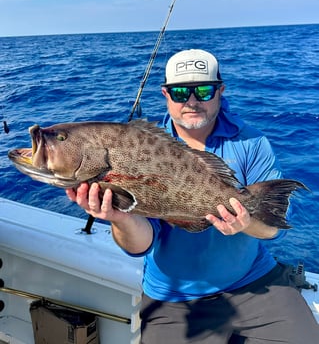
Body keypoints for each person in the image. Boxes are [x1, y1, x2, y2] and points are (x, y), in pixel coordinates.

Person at [66, 49, 319, 343]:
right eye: (180, 92)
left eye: (203, 90)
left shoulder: (252, 141)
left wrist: (245, 223)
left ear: (220, 90)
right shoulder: (140, 149)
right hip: (175, 298)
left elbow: (272, 230)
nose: (192, 101)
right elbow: (142, 246)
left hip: (256, 281)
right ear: (165, 94)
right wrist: (119, 218)